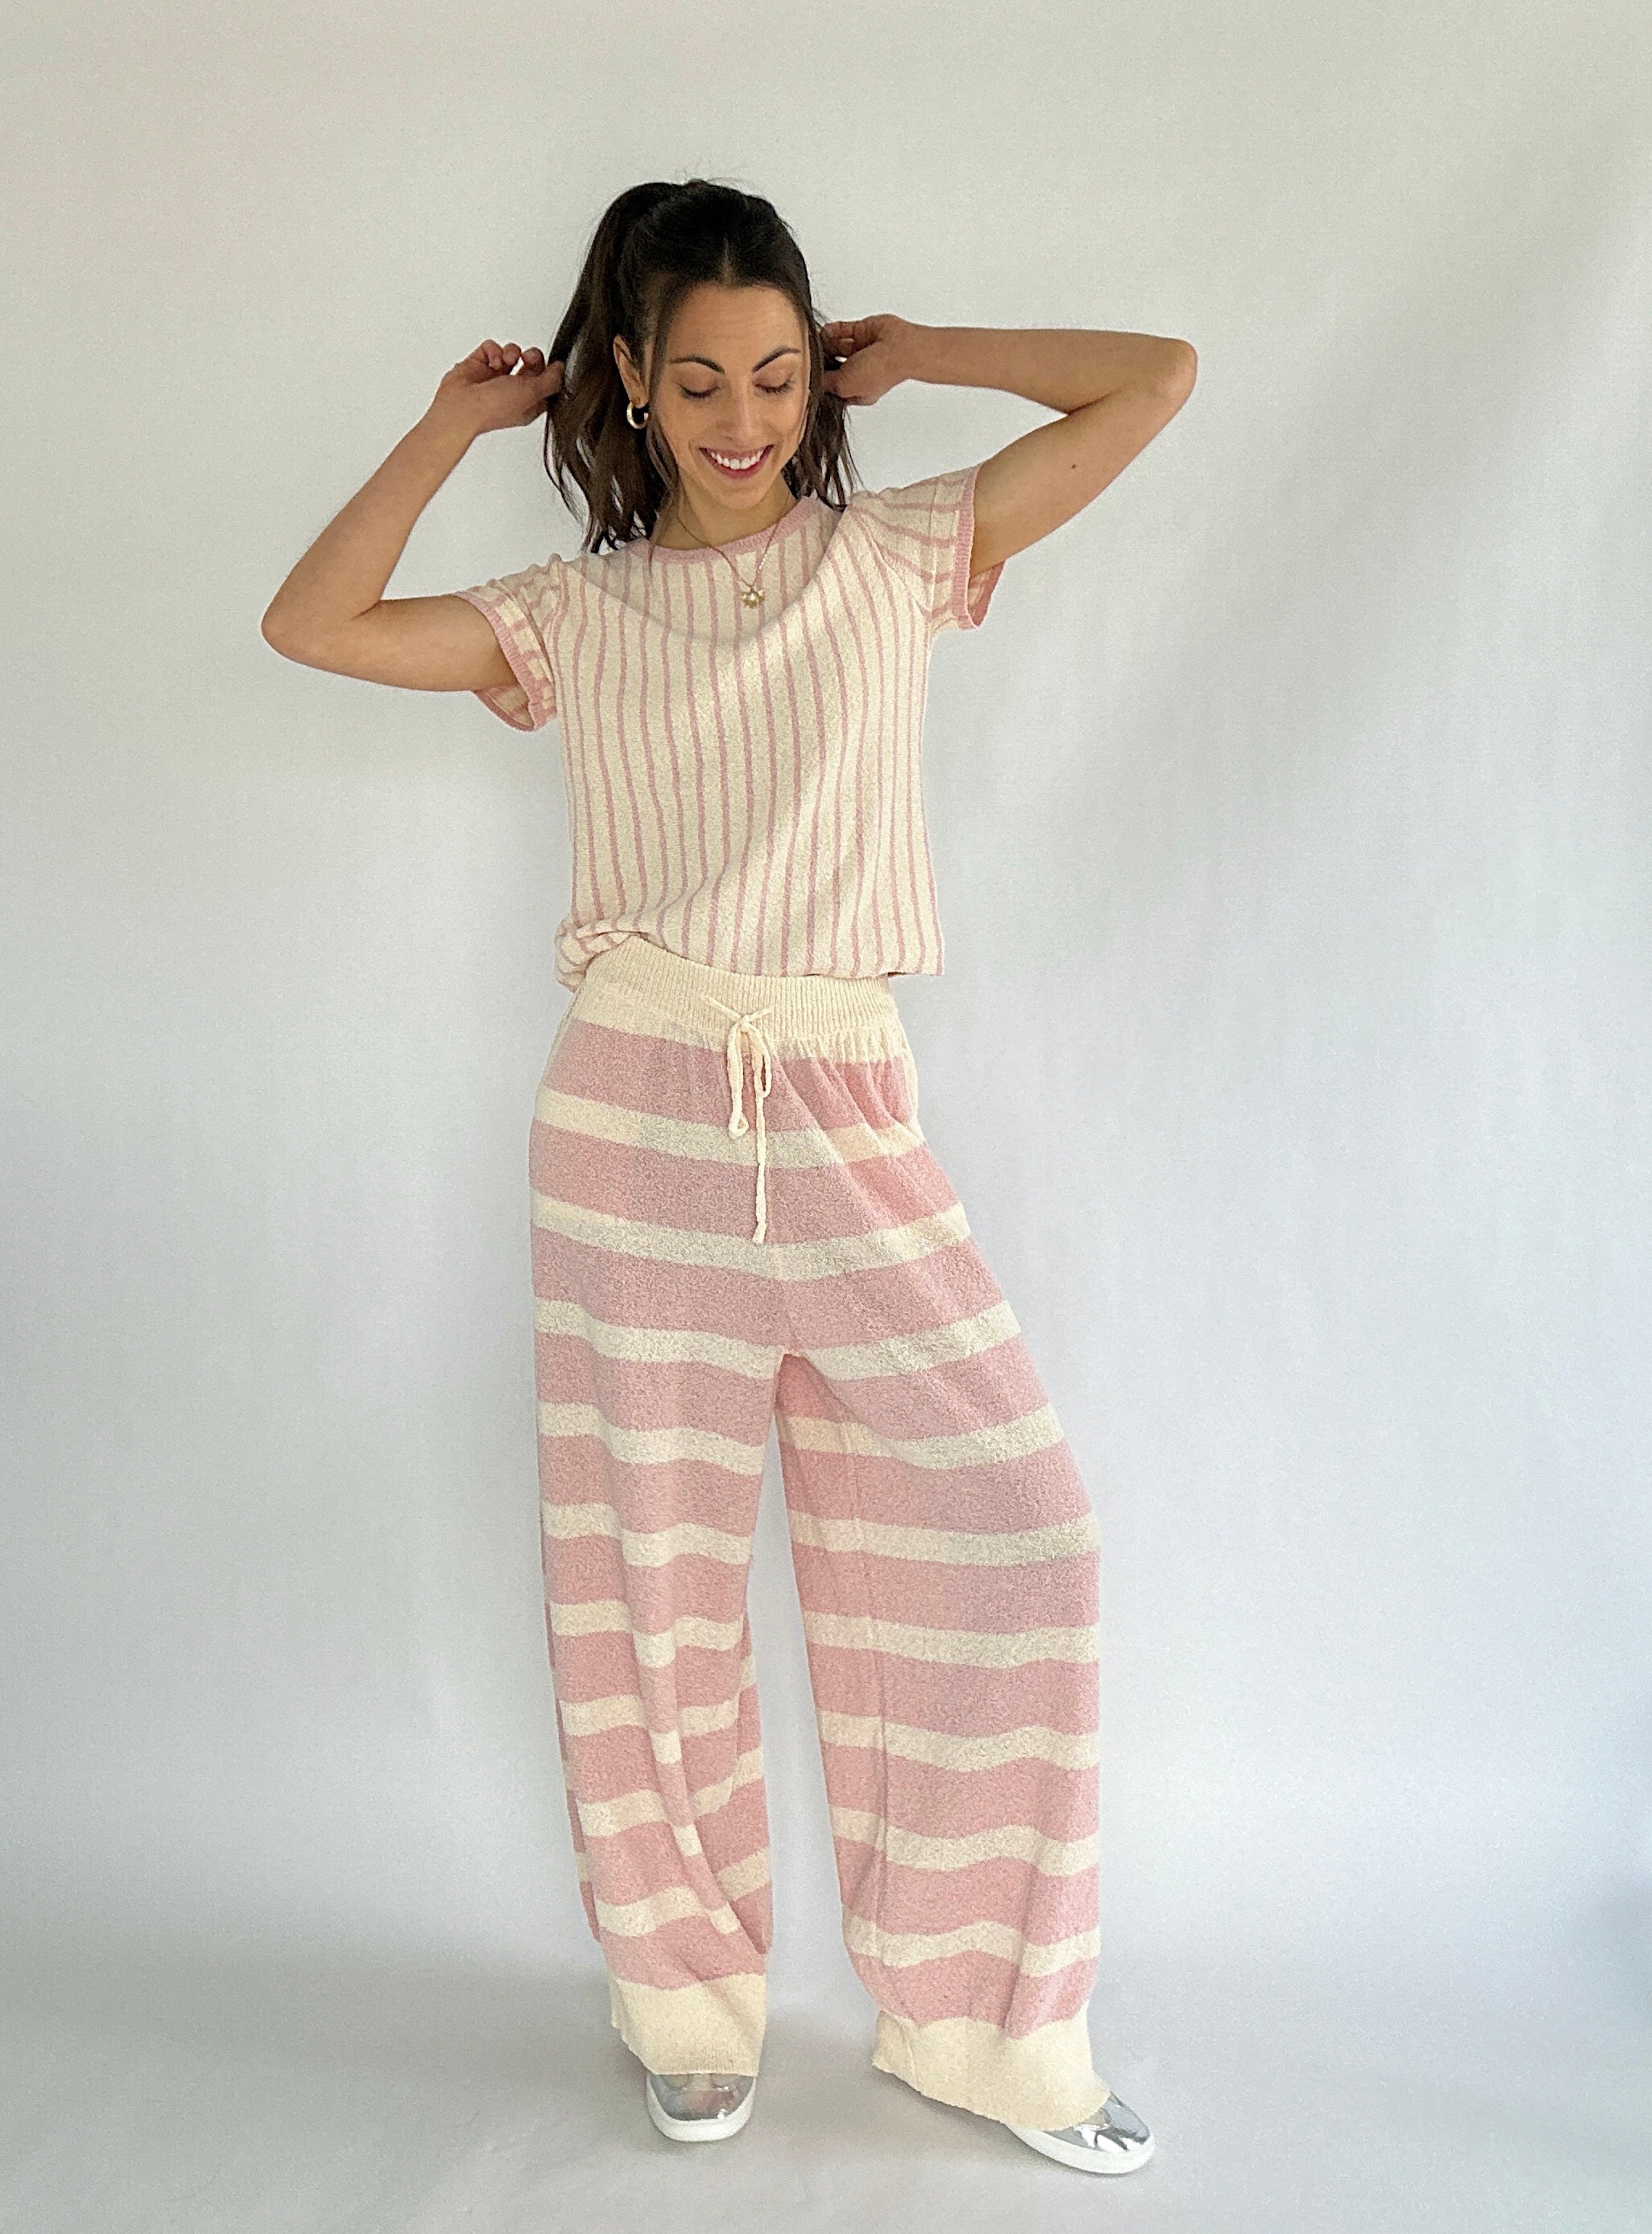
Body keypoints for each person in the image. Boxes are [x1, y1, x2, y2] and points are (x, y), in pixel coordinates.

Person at [262, 177, 1195, 2175]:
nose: (746, 417)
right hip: (635, 1122)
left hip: (847, 1109)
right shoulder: (573, 613)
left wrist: (928, 356)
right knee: (650, 1581)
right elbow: (310, 622)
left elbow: (1156, 380)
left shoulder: (901, 552)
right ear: (630, 379)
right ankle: (684, 1998)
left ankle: (985, 2022)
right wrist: (446, 427)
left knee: (1025, 1527)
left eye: (778, 375)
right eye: (700, 381)